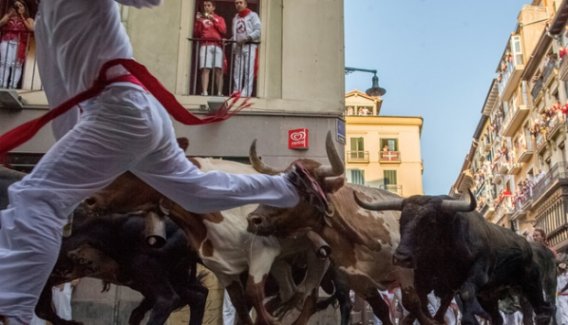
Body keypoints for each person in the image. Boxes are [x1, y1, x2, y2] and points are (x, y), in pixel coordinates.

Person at [0, 1, 327, 323]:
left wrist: (75, 157)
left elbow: (64, 99)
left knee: (34, 199)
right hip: (130, 113)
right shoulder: (45, 18)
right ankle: (286, 188)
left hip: (116, 114)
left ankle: (12, 312)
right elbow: (63, 98)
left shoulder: (47, 17)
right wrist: (77, 156)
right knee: (192, 191)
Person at [194, 0, 226, 96]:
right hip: (205, 45)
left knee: (219, 70)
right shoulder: (201, 19)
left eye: (208, 5)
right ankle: (205, 91)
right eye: (205, 5)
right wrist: (198, 22)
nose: (206, 7)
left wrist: (214, 20)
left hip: (217, 45)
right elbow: (197, 33)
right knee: (205, 69)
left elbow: (223, 30)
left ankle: (220, 92)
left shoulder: (219, 18)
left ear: (213, 7)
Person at [0, 0, 34, 89]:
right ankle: (2, 84)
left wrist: (22, 16)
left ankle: (13, 85)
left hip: (20, 43)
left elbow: (31, 29)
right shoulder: (8, 17)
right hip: (6, 41)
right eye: (16, 6)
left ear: (24, 7)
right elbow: (1, 24)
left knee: (17, 65)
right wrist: (8, 15)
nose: (18, 8)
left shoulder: (28, 19)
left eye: (20, 6)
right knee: (4, 63)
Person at [231, 0, 260, 97]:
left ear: (245, 4)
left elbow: (258, 30)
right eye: (236, 3)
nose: (238, 5)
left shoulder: (253, 15)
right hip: (239, 46)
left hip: (249, 45)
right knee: (237, 70)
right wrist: (229, 40)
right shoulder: (235, 18)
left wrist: (247, 38)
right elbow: (236, 33)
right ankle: (236, 90)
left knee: (248, 70)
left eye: (240, 2)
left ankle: (246, 93)